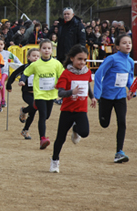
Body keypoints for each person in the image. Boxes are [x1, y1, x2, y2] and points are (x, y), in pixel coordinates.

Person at [50, 44, 97, 173]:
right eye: (79, 59)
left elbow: (87, 85)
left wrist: (92, 97)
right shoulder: (66, 74)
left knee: (85, 132)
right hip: (67, 110)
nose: (82, 62)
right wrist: (72, 92)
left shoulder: (87, 72)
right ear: (72, 58)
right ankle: (55, 161)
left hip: (81, 110)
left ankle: (75, 129)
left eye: (84, 60)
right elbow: (60, 93)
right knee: (60, 138)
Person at [94, 34, 134, 163]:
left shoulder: (130, 61)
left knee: (122, 122)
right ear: (117, 46)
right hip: (106, 96)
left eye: (129, 42)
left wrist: (132, 91)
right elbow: (99, 74)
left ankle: (119, 152)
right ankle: (77, 127)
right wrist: (97, 95)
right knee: (104, 124)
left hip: (121, 96)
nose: (128, 45)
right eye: (124, 43)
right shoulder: (111, 59)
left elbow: (129, 78)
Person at [23, 39, 64, 149]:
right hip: (39, 94)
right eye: (44, 48)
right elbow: (26, 73)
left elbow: (62, 76)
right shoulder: (36, 64)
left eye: (49, 48)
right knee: (42, 115)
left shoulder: (56, 63)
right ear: (40, 50)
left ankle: (31, 109)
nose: (46, 50)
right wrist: (22, 80)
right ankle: (42, 139)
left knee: (46, 116)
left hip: (51, 95)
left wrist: (62, 86)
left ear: (52, 50)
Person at [6, 48, 40, 139]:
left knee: (33, 111)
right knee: (34, 105)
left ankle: (25, 130)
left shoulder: (41, 68)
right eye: (34, 56)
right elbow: (14, 74)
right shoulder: (25, 67)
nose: (36, 58)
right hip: (27, 93)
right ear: (28, 57)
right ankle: (24, 111)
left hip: (37, 94)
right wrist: (9, 85)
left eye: (38, 56)